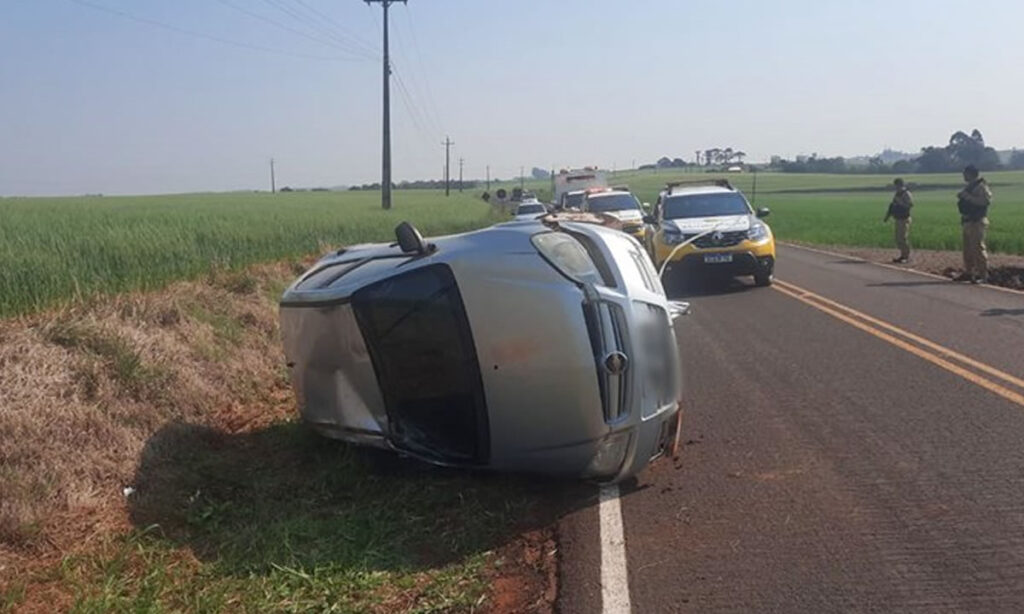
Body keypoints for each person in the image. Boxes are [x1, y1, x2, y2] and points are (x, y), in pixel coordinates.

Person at [955, 165, 993, 284]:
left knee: (978, 248)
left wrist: (967, 197)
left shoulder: (981, 187)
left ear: (971, 174)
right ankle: (969, 272)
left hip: (977, 221)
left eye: (965, 174)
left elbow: (985, 201)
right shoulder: (970, 187)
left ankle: (983, 274)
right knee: (968, 249)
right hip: (968, 221)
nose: (963, 176)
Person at [884, 178, 914, 263]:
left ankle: (907, 257)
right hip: (898, 218)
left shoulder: (906, 194)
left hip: (904, 218)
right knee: (898, 238)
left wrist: (900, 203)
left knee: (903, 237)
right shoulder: (897, 194)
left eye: (897, 185)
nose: (896, 187)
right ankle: (902, 255)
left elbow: (910, 205)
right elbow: (892, 205)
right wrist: (888, 216)